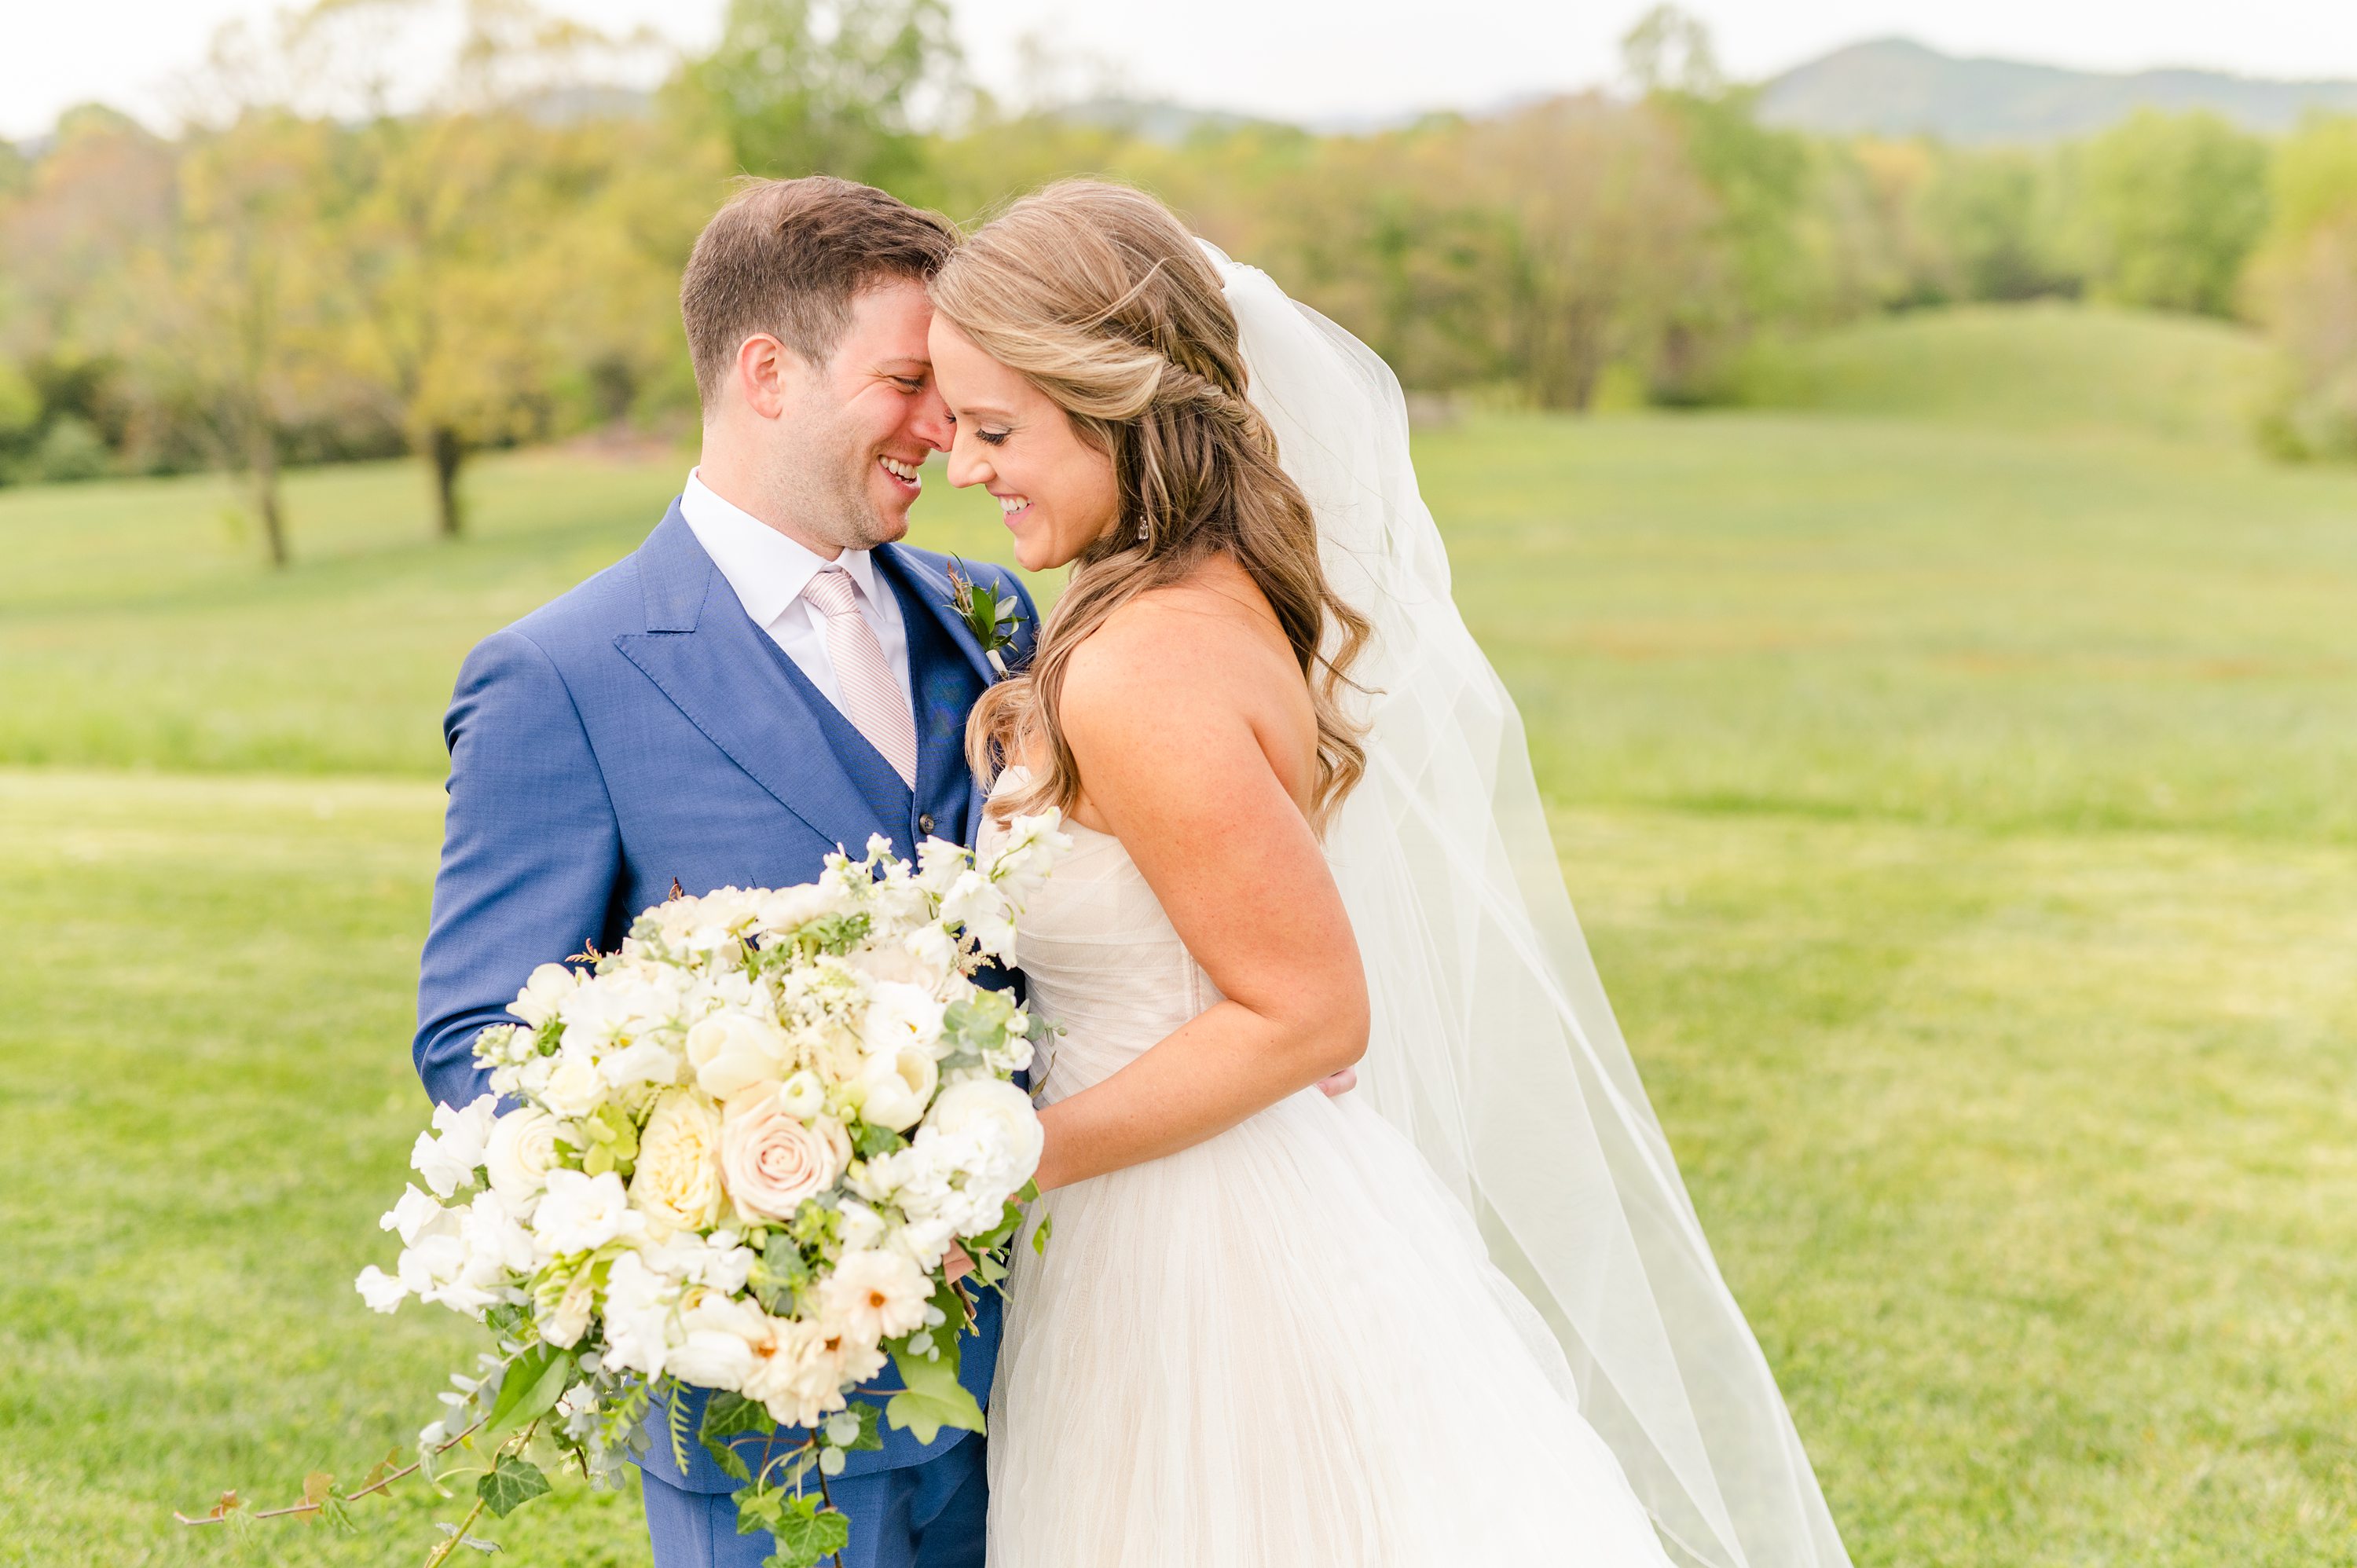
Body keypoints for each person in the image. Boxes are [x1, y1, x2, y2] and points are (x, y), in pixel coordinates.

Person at [928, 181, 1855, 1567]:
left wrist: (1002, 1160)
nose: (961, 466)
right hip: (1206, 1197)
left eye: (995, 429)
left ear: (1118, 405)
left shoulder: (1140, 665)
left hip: (1198, 1253)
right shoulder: (1204, 594)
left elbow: (1309, 1014)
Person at [412, 175, 1036, 1568]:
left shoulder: (990, 614)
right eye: (907, 380)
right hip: (779, 1418)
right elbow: (476, 1043)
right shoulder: (559, 677)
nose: (944, 426)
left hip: (1060, 1367)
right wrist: (729, 1180)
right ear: (768, 372)